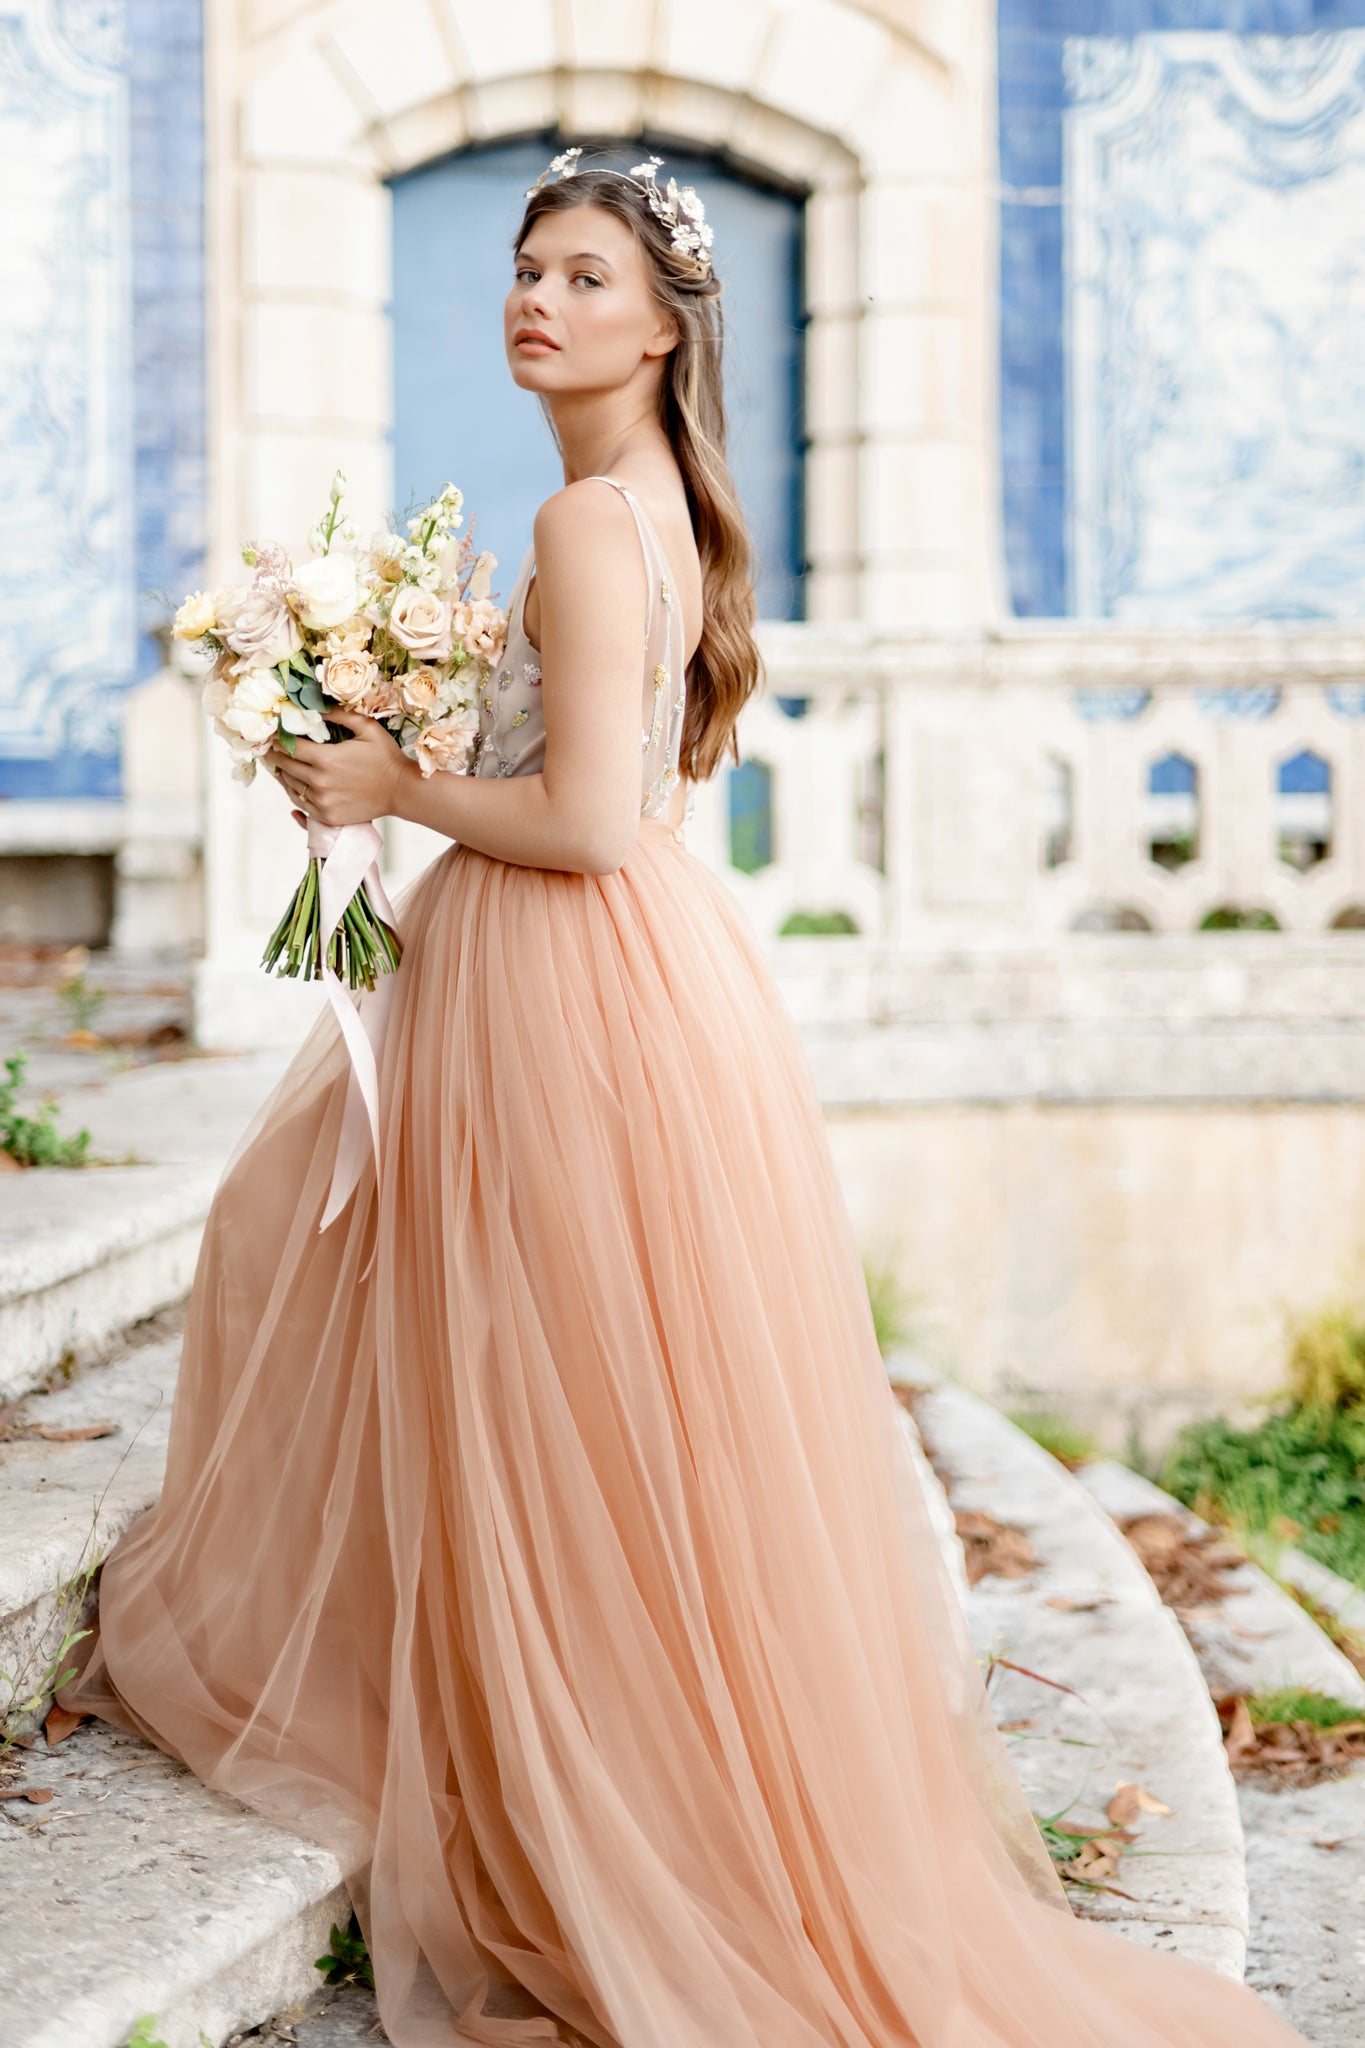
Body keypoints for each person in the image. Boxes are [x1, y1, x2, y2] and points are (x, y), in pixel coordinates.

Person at [61, 151, 1309, 2048]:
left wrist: (390, 787)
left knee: (512, 1374)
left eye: (581, 276)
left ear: (661, 324)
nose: (536, 300)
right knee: (563, 1383)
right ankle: (539, 1718)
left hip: (552, 967)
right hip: (634, 973)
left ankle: (582, 1782)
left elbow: (572, 821)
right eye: (523, 267)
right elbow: (629, 801)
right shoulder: (648, 509)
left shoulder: (585, 525)